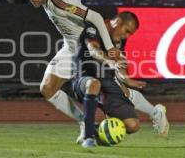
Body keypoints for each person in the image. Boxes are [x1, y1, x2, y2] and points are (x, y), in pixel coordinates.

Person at [19, 0, 120, 143]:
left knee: (106, 93)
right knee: (47, 88)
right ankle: (85, 123)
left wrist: (110, 48)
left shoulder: (59, 3)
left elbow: (95, 17)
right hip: (70, 46)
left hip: (85, 46)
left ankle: (95, 131)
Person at [68, 11, 169, 147]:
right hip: (83, 77)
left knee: (133, 125)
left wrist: (126, 79)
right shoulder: (95, 27)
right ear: (118, 22)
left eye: (129, 34)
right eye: (127, 31)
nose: (126, 36)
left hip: (107, 81)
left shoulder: (119, 39)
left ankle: (98, 131)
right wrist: (108, 61)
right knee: (94, 84)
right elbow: (93, 50)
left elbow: (119, 60)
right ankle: (88, 135)